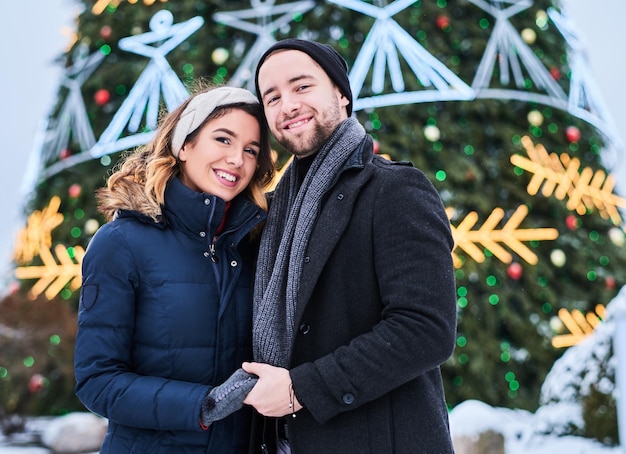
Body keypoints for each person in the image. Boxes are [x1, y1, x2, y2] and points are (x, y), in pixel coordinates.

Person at [242, 39, 458, 453]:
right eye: (272, 97)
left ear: (341, 94)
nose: (287, 105)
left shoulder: (394, 190)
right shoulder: (269, 215)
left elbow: (426, 330)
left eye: (301, 87)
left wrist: (300, 389)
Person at [74, 85, 275, 453]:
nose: (237, 159)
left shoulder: (255, 245)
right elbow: (97, 381)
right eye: (223, 139)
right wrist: (203, 404)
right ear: (184, 146)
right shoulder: (121, 243)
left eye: (251, 150)